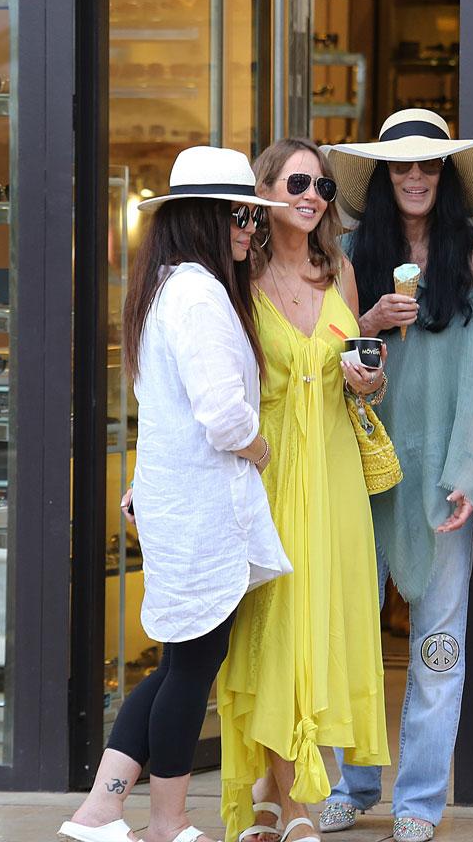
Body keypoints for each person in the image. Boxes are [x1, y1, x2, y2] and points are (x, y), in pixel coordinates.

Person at [58, 146, 292, 842]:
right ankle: (165, 821)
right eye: (244, 216)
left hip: (183, 501)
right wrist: (259, 446)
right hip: (202, 510)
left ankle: (100, 810)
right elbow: (220, 415)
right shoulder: (198, 294)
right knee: (191, 668)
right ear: (209, 221)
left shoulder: (169, 286)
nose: (251, 230)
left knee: (180, 663)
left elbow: (158, 406)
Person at [313, 109, 473, 842]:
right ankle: (350, 783)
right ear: (385, 177)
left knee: (439, 642)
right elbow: (318, 366)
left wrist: (468, 472)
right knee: (348, 633)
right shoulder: (342, 258)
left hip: (436, 475)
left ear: (448, 178)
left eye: (429, 165)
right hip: (353, 465)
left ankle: (420, 801)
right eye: (403, 165)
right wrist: (368, 319)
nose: (416, 176)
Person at [216, 139, 389, 842]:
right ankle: (285, 797)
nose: (314, 194)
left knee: (321, 628)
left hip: (337, 471)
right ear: (266, 191)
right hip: (269, 470)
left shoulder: (338, 269)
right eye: (299, 181)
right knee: (274, 632)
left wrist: (370, 381)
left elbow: (359, 376)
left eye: (321, 184)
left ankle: (283, 795)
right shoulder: (238, 276)